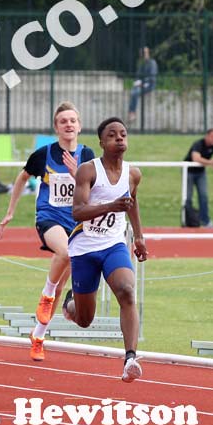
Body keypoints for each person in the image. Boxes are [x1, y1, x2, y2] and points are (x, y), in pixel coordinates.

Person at [0, 102, 95, 361]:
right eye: (63, 121)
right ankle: (47, 293)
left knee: (64, 276)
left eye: (72, 120)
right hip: (49, 218)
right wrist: (10, 211)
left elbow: (95, 188)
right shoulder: (44, 154)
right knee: (65, 252)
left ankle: (38, 337)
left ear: (79, 125)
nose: (68, 124)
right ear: (56, 127)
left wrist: (79, 176)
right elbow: (21, 178)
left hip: (76, 221)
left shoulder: (87, 155)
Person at [62, 117, 148, 382]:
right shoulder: (88, 170)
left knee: (127, 291)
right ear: (101, 142)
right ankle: (70, 302)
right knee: (85, 319)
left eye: (123, 134)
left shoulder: (133, 174)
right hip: (85, 248)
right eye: (112, 135)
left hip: (113, 245)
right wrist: (111, 205)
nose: (119, 138)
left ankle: (130, 358)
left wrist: (139, 237)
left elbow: (131, 203)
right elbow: (77, 211)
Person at [183, 129, 213, 228]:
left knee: (204, 196)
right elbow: (196, 158)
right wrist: (212, 162)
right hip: (189, 172)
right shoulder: (198, 144)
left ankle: (205, 221)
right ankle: (188, 221)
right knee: (188, 197)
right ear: (207, 136)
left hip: (201, 172)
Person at [128, 46, 158, 122]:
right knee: (133, 91)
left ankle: (132, 113)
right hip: (141, 85)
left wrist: (142, 82)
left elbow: (152, 77)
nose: (143, 54)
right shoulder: (142, 64)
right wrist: (137, 82)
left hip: (149, 85)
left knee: (135, 93)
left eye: (144, 53)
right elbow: (138, 76)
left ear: (148, 53)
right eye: (142, 53)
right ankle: (131, 112)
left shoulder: (152, 63)